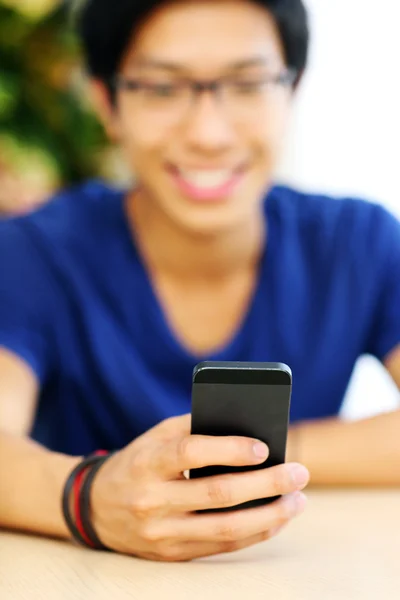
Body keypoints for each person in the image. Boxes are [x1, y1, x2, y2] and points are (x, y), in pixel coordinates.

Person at [0, 0, 399, 563]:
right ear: (106, 102)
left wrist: (253, 458)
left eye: (248, 83)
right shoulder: (31, 253)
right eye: (162, 88)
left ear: (293, 89)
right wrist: (89, 499)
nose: (208, 133)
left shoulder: (359, 241)